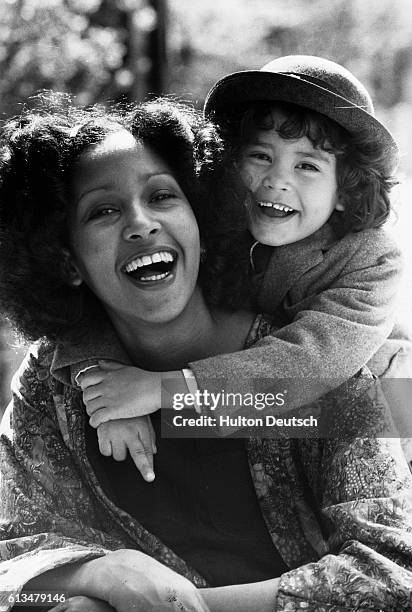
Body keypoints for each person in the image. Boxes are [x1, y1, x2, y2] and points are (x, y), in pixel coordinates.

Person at [1, 93, 412, 611]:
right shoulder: (51, 385)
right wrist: (100, 577)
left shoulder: (318, 374)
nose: (140, 223)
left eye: (163, 197)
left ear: (202, 221)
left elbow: (393, 576)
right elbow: (12, 573)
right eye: (103, 211)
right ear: (65, 260)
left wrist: (183, 605)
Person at [76, 55, 412, 477]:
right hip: (250, 415)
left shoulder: (372, 259)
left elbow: (311, 363)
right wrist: (105, 391)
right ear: (231, 163)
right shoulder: (213, 228)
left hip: (380, 423)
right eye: (259, 156)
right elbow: (95, 302)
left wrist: (159, 391)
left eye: (306, 165)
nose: (276, 180)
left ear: (347, 189)